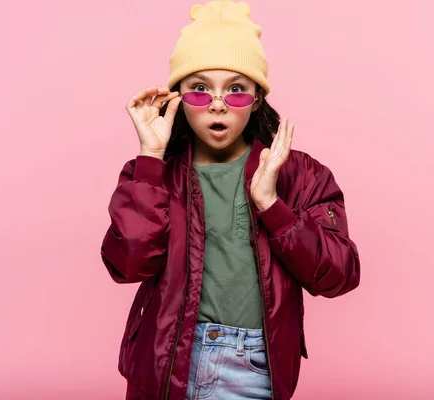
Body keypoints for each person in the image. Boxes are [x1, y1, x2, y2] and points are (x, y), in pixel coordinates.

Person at [100, 0, 361, 398]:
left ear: (257, 98)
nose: (218, 103)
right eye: (199, 89)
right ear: (177, 99)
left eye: (236, 90)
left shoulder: (298, 174)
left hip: (252, 365)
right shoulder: (151, 175)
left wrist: (273, 207)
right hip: (165, 361)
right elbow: (127, 265)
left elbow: (339, 275)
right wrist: (150, 158)